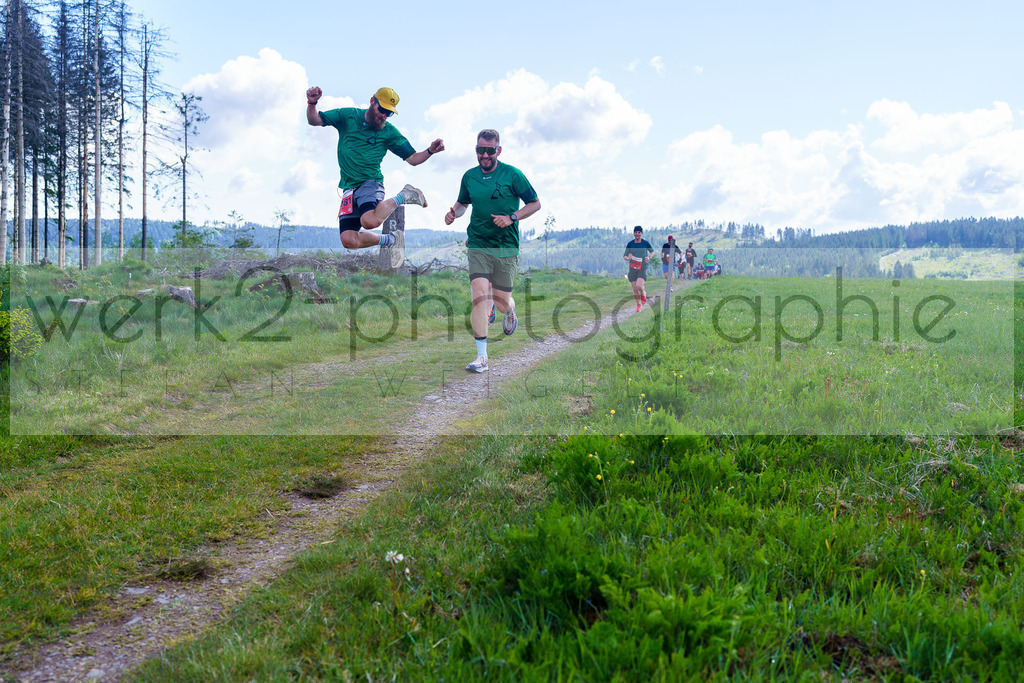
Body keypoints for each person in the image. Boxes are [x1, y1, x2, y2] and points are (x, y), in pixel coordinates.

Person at [306, 85, 444, 267]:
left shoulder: (389, 132)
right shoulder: (348, 116)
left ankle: (404, 195)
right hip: (349, 189)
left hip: (370, 183)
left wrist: (430, 151)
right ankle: (392, 240)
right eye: (382, 110)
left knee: (369, 220)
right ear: (372, 101)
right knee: (349, 240)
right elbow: (314, 120)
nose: (384, 116)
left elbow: (413, 159)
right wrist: (312, 103)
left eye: (389, 113)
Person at [444, 129, 540, 373]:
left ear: (498, 150)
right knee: (479, 295)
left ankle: (509, 311)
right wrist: (454, 213)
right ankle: (482, 357)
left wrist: (512, 217)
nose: (484, 155)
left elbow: (535, 203)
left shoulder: (513, 174)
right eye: (480, 150)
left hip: (506, 246)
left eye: (489, 150)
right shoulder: (469, 176)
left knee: (501, 300)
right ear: (476, 150)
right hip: (477, 243)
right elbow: (463, 203)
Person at [623, 226, 653, 312]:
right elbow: (625, 256)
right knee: (634, 288)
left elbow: (652, 251)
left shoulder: (645, 243)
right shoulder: (630, 244)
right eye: (635, 232)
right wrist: (628, 258)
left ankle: (643, 293)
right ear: (634, 233)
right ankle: (638, 305)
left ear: (641, 233)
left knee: (639, 286)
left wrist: (648, 257)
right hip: (633, 267)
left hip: (642, 267)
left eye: (639, 232)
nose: (637, 234)